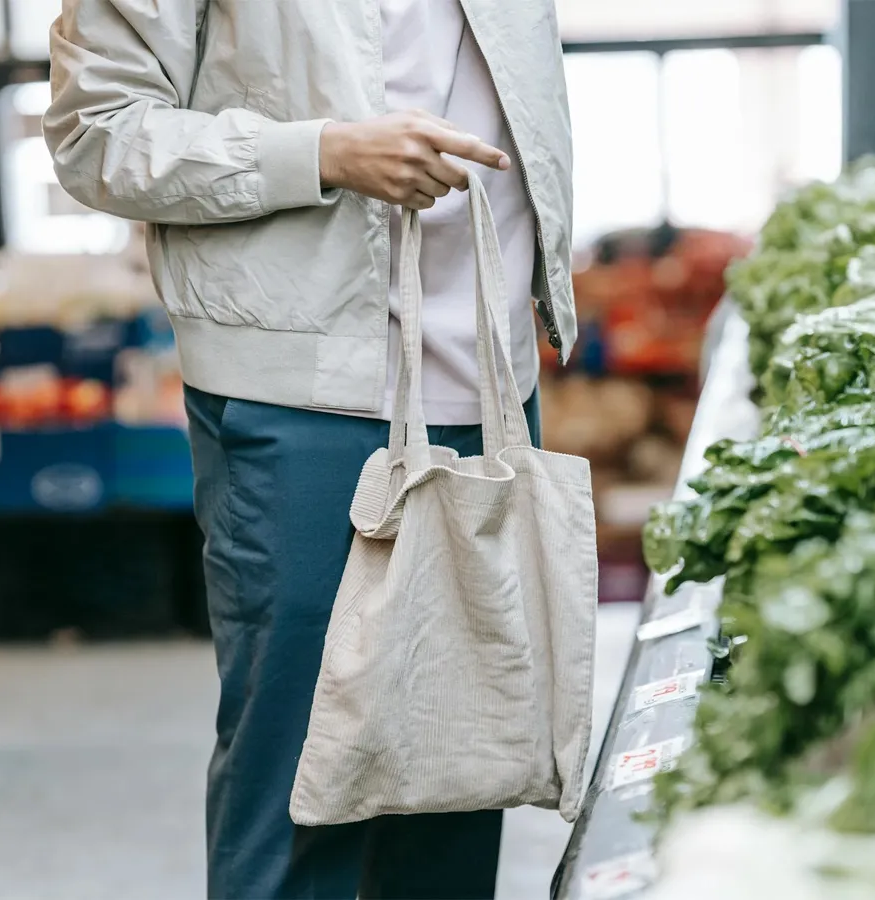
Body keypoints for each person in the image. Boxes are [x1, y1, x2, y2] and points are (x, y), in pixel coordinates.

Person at [43, 1, 576, 897]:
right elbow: (95, 133)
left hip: (488, 378)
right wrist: (320, 152)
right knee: (298, 799)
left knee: (459, 785)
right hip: (302, 388)